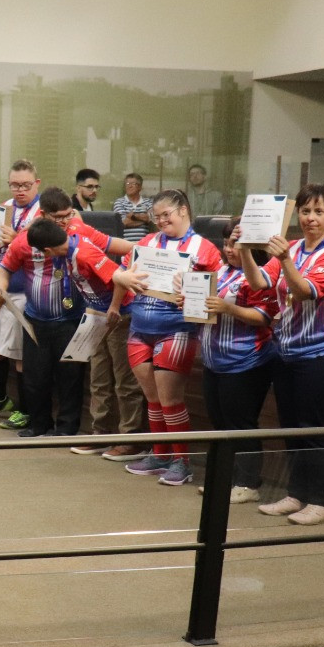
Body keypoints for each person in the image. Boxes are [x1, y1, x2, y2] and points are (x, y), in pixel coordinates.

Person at [242, 184, 324, 525]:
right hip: (287, 351)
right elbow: (259, 283)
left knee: (313, 427)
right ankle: (297, 494)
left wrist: (285, 259)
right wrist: (246, 248)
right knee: (290, 426)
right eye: (305, 211)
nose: (310, 218)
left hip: (323, 352)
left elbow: (304, 291)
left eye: (319, 212)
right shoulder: (291, 247)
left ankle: (321, 503)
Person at [0, 217, 145, 439]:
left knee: (123, 383)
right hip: (96, 314)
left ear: (47, 250)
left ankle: (128, 438)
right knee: (99, 380)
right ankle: (98, 434)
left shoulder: (82, 252)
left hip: (118, 316)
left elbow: (119, 277)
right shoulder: (67, 247)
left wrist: (114, 305)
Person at [120, 189, 223, 487]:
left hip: (177, 329)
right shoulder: (146, 243)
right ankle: (160, 453)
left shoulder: (204, 248)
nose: (162, 220)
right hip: (140, 327)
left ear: (184, 211)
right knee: (152, 398)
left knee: (170, 399)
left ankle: (182, 461)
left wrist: (190, 294)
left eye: (167, 214)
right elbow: (125, 272)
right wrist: (125, 284)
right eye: (157, 216)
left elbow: (215, 289)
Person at [199, 217, 277, 504]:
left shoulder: (259, 275)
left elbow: (263, 317)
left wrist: (228, 309)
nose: (228, 249)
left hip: (246, 360)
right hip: (213, 359)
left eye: (234, 243)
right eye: (225, 242)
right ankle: (225, 480)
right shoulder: (219, 271)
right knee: (219, 422)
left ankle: (248, 483)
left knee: (241, 423)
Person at [0, 159, 42, 423]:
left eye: (25, 185)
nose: (19, 190)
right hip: (0, 291)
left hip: (25, 291)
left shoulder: (42, 215)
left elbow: (43, 255)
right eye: (14, 185)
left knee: (18, 354)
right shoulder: (3, 209)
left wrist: (17, 239)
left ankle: (25, 410)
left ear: (36, 183)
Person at [114, 172, 153, 244]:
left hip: (143, 244)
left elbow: (152, 219)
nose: (129, 186)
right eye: (127, 184)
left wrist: (133, 216)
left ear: (140, 187)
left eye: (133, 184)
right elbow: (123, 223)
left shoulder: (148, 202)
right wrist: (144, 220)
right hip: (125, 244)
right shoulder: (119, 202)